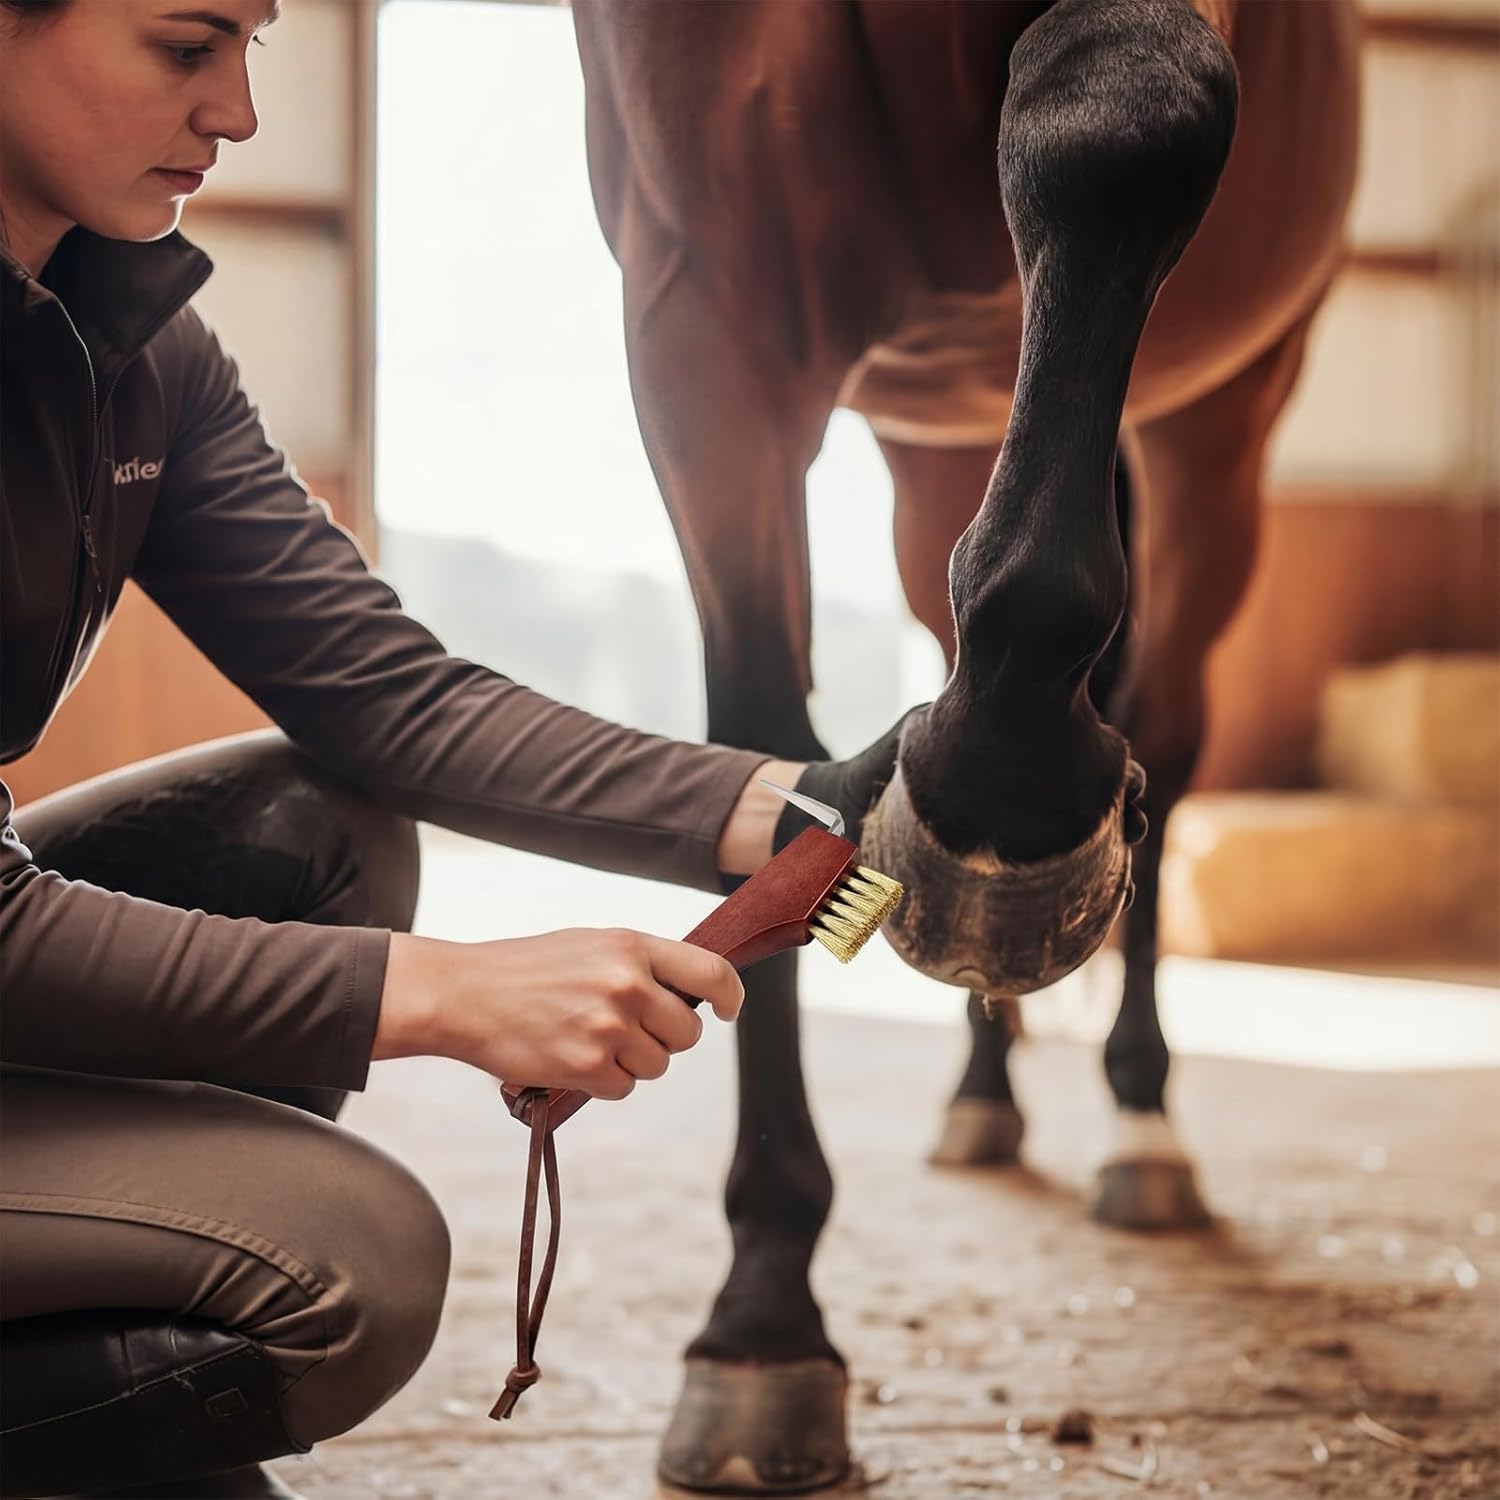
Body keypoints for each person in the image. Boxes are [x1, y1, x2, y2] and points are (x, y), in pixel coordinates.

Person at [0, 2, 907, 1495]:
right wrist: (449, 994)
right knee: (352, 1258)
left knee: (319, 826)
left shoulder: (134, 342)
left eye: (253, 49)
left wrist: (799, 806)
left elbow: (390, 702)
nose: (237, 112)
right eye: (184, 47)